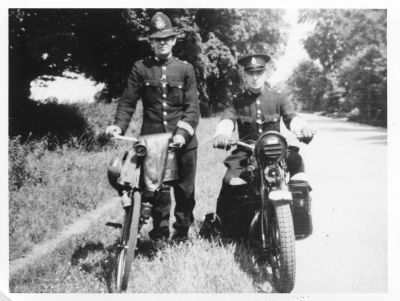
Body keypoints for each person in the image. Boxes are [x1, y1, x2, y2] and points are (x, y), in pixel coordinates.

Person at [106, 12, 200, 249]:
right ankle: (159, 238)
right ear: (151, 42)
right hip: (153, 142)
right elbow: (128, 102)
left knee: (185, 192)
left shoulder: (186, 69)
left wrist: (182, 133)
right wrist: (119, 125)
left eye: (166, 38)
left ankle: (181, 235)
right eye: (157, 39)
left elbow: (192, 108)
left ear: (174, 41)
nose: (162, 43)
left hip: (185, 142)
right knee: (157, 192)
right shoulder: (141, 69)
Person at [212, 53, 315, 237]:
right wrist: (223, 133)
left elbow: (291, 117)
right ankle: (224, 226)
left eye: (259, 72)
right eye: (250, 73)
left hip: (275, 151)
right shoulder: (237, 100)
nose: (255, 77)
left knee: (297, 163)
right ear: (245, 75)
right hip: (247, 152)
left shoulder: (278, 97)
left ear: (265, 73)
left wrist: (303, 128)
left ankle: (300, 220)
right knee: (229, 179)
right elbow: (228, 118)